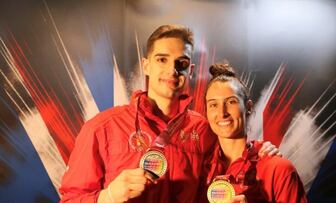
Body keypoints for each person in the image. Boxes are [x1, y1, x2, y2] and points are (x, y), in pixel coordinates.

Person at [59, 25, 280, 203]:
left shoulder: (204, 130)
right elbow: (70, 199)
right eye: (162, 59)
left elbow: (231, 163)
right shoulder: (102, 128)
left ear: (190, 71)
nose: (172, 70)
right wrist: (106, 198)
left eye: (181, 63)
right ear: (146, 65)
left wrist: (260, 151)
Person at [204, 62, 308, 203]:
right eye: (213, 105)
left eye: (231, 102)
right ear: (206, 112)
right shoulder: (199, 169)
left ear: (248, 107)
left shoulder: (278, 169)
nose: (222, 113)